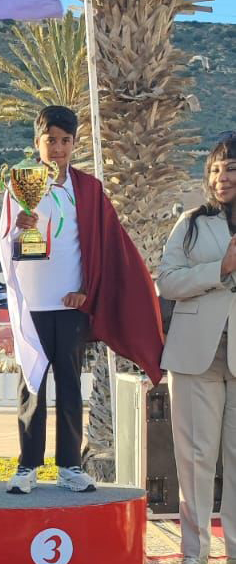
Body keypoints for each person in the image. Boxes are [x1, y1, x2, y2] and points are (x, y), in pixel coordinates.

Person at [0, 105, 164, 495]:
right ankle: (27, 466)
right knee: (32, 385)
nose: (57, 148)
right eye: (50, 140)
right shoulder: (19, 184)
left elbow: (103, 247)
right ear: (36, 143)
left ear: (75, 144)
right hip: (33, 307)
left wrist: (87, 292)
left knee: (71, 385)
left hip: (70, 305)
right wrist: (19, 231)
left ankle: (71, 465)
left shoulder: (88, 189)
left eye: (65, 141)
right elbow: (7, 246)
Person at [157, 134, 236, 564]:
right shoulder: (190, 223)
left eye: (231, 168)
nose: (222, 177)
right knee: (195, 462)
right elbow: (167, 281)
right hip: (194, 358)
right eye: (215, 169)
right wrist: (219, 269)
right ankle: (195, 555)